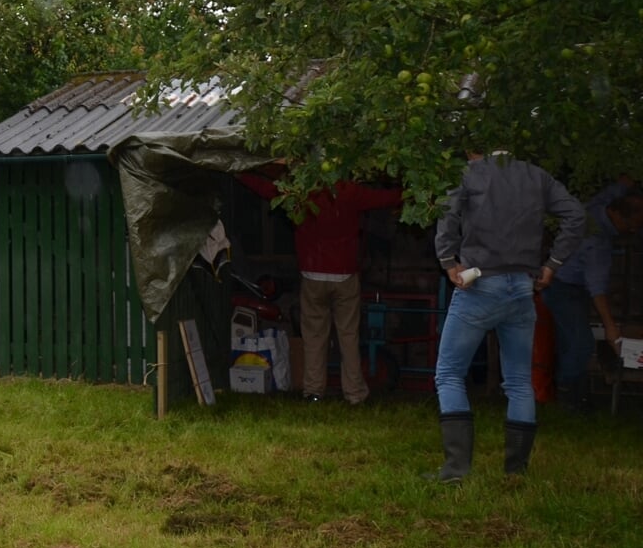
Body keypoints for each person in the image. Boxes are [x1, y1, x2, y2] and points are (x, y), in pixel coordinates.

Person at [430, 151, 585, 482]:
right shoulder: (537, 175)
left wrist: (447, 260)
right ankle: (516, 471)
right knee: (518, 381)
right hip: (523, 287)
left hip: (480, 283)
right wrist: (553, 264)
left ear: (476, 150)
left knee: (449, 374)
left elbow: (448, 215)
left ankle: (456, 470)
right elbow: (576, 214)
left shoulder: (468, 173)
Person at [237, 171, 403, 404]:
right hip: (345, 274)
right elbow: (387, 199)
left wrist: (240, 173)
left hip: (312, 273)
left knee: (314, 337)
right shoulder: (350, 191)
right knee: (349, 336)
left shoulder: (301, 193)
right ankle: (354, 393)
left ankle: (314, 391)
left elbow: (268, 190)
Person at [544, 180, 643, 410]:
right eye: (632, 226)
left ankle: (573, 392)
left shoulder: (600, 205)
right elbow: (597, 290)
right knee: (581, 343)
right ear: (619, 216)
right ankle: (569, 399)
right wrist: (611, 328)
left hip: (567, 283)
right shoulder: (597, 243)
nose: (633, 231)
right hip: (562, 288)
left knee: (570, 341)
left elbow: (615, 187)